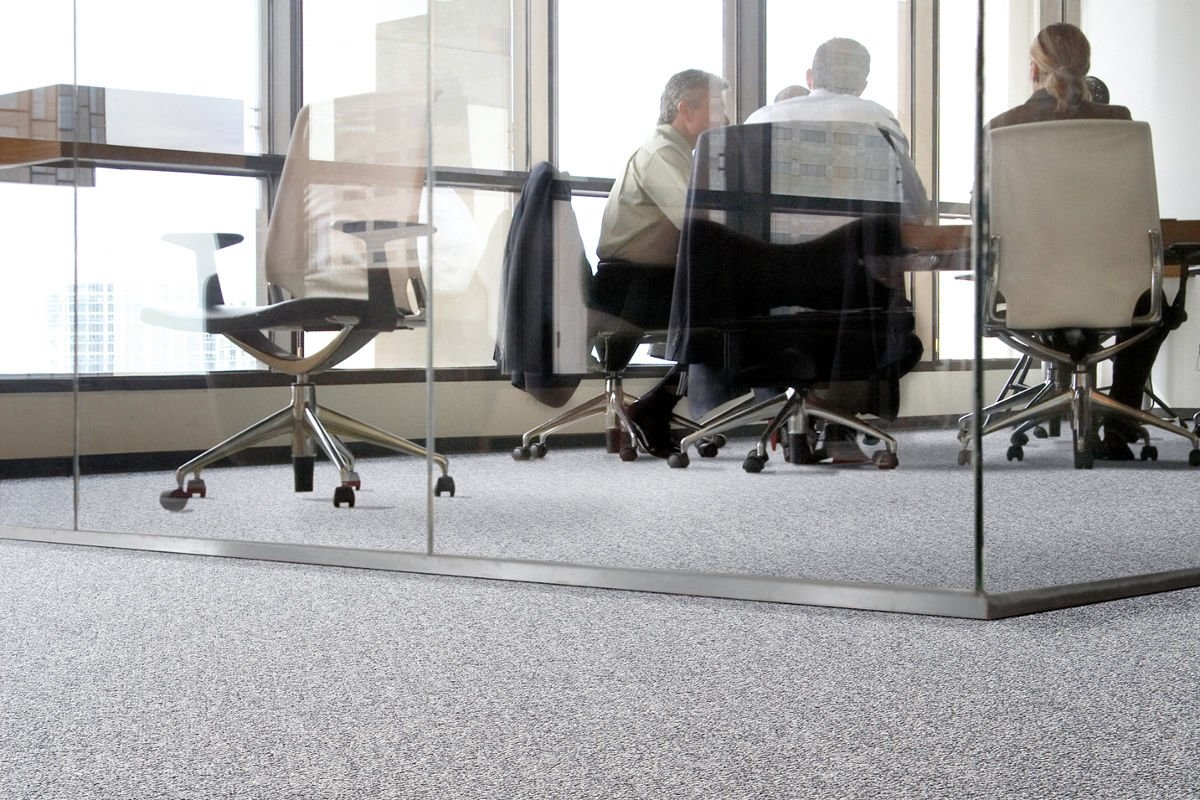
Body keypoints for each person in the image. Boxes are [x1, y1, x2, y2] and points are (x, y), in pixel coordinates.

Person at [986, 23, 1175, 460]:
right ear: (1087, 67)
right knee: (1156, 305)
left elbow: (985, 215)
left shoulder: (1003, 127)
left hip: (1027, 289)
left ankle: (1081, 399)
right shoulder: (1118, 123)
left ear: (1033, 69)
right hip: (1115, 290)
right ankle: (1122, 421)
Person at [597, 69, 728, 457]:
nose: (725, 119)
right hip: (633, 288)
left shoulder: (675, 153)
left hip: (646, 282)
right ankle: (656, 407)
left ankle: (658, 405)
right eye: (717, 108)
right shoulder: (661, 154)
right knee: (738, 311)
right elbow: (698, 224)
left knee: (734, 307)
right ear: (685, 110)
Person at [746, 37, 910, 158]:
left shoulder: (759, 120)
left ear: (810, 77)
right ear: (862, 87)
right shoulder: (882, 122)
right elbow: (904, 186)